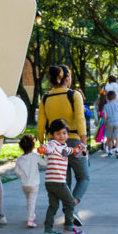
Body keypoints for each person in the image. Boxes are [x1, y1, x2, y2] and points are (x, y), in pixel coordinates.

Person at [37, 65, 88, 225]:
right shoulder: (74, 95)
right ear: (66, 78)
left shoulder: (45, 98)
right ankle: (70, 208)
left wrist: (42, 143)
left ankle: (69, 212)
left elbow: (41, 124)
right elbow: (80, 119)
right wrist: (84, 143)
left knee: (65, 181)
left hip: (54, 145)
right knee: (84, 177)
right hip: (73, 141)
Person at [41, 119, 84, 234]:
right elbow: (47, 148)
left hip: (50, 182)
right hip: (58, 182)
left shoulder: (63, 146)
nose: (61, 136)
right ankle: (69, 227)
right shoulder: (53, 145)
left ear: (68, 134)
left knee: (53, 206)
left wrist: (76, 150)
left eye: (64, 133)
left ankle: (48, 230)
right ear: (52, 135)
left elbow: (69, 151)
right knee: (70, 203)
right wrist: (43, 149)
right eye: (58, 133)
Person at [15, 134, 40, 228]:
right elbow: (45, 163)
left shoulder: (20, 158)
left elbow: (17, 171)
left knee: (29, 201)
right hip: (34, 184)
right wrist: (46, 155)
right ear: (33, 146)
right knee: (31, 202)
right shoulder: (35, 156)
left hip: (24, 184)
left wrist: (21, 177)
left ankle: (31, 215)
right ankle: (30, 220)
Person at [101, 90, 118, 157]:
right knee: (117, 138)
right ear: (115, 97)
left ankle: (110, 151)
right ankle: (117, 150)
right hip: (117, 123)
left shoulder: (105, 106)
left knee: (109, 138)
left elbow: (104, 115)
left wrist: (105, 123)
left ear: (107, 98)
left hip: (109, 123)